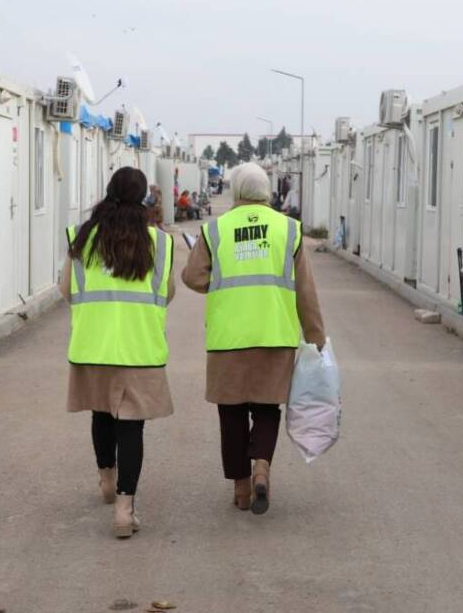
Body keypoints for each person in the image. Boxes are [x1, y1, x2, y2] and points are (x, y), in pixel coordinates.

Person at [181, 162, 325, 515]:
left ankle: (242, 489)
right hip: (274, 335)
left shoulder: (215, 229)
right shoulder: (288, 229)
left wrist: (219, 283)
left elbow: (192, 277)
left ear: (236, 191)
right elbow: (305, 289)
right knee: (265, 408)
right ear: (266, 191)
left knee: (230, 412)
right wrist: (315, 336)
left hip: (228, 336)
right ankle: (262, 466)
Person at [59, 167, 175, 539]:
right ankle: (125, 509)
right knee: (131, 426)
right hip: (139, 347)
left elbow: (67, 290)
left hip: (94, 345)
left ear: (108, 193)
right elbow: (167, 293)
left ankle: (106, 478)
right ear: (145, 199)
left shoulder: (83, 238)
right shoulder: (159, 243)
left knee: (102, 413)